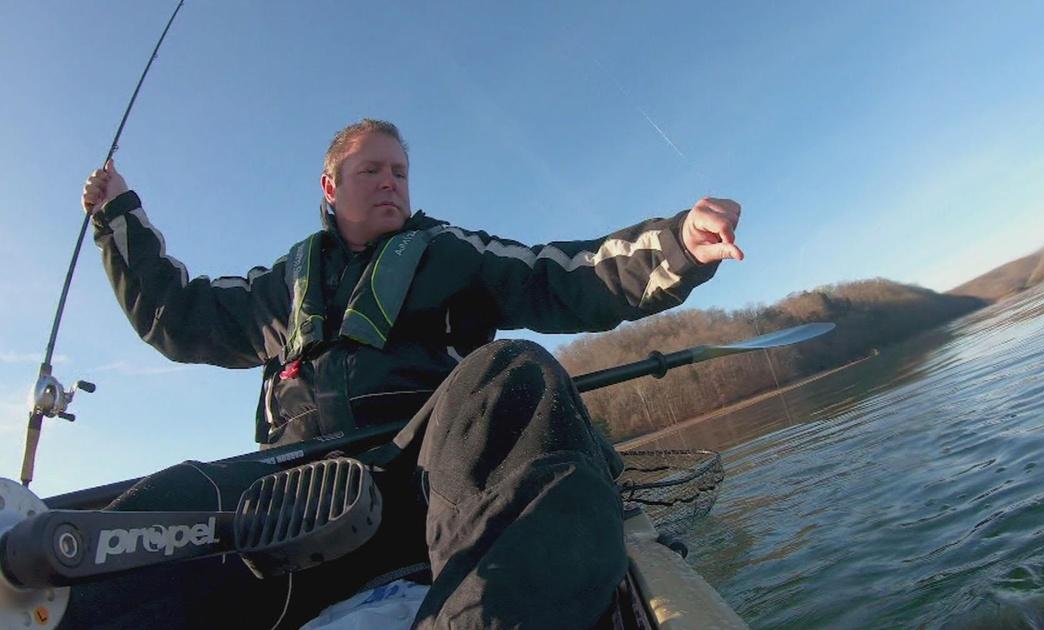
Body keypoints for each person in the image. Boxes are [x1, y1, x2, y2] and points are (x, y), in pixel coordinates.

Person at [72, 119, 743, 629]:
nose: (392, 181)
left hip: (429, 478)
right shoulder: (279, 288)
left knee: (516, 372)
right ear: (331, 187)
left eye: (400, 171)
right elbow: (180, 317)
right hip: (301, 502)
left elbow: (564, 276)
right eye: (372, 171)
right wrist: (119, 217)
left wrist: (678, 244)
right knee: (177, 495)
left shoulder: (450, 252)